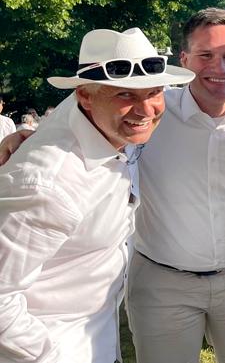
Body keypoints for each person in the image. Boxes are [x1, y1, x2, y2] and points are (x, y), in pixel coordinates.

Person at [0, 27, 194, 363]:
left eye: (154, 91)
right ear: (85, 96)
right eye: (125, 95)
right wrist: (49, 355)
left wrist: (24, 135)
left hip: (101, 337)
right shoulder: (49, 184)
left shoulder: (101, 125)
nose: (145, 110)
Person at [126, 8, 225, 363]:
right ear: (183, 59)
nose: (219, 68)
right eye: (205, 56)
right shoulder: (152, 114)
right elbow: (95, 114)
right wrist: (30, 136)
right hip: (163, 281)